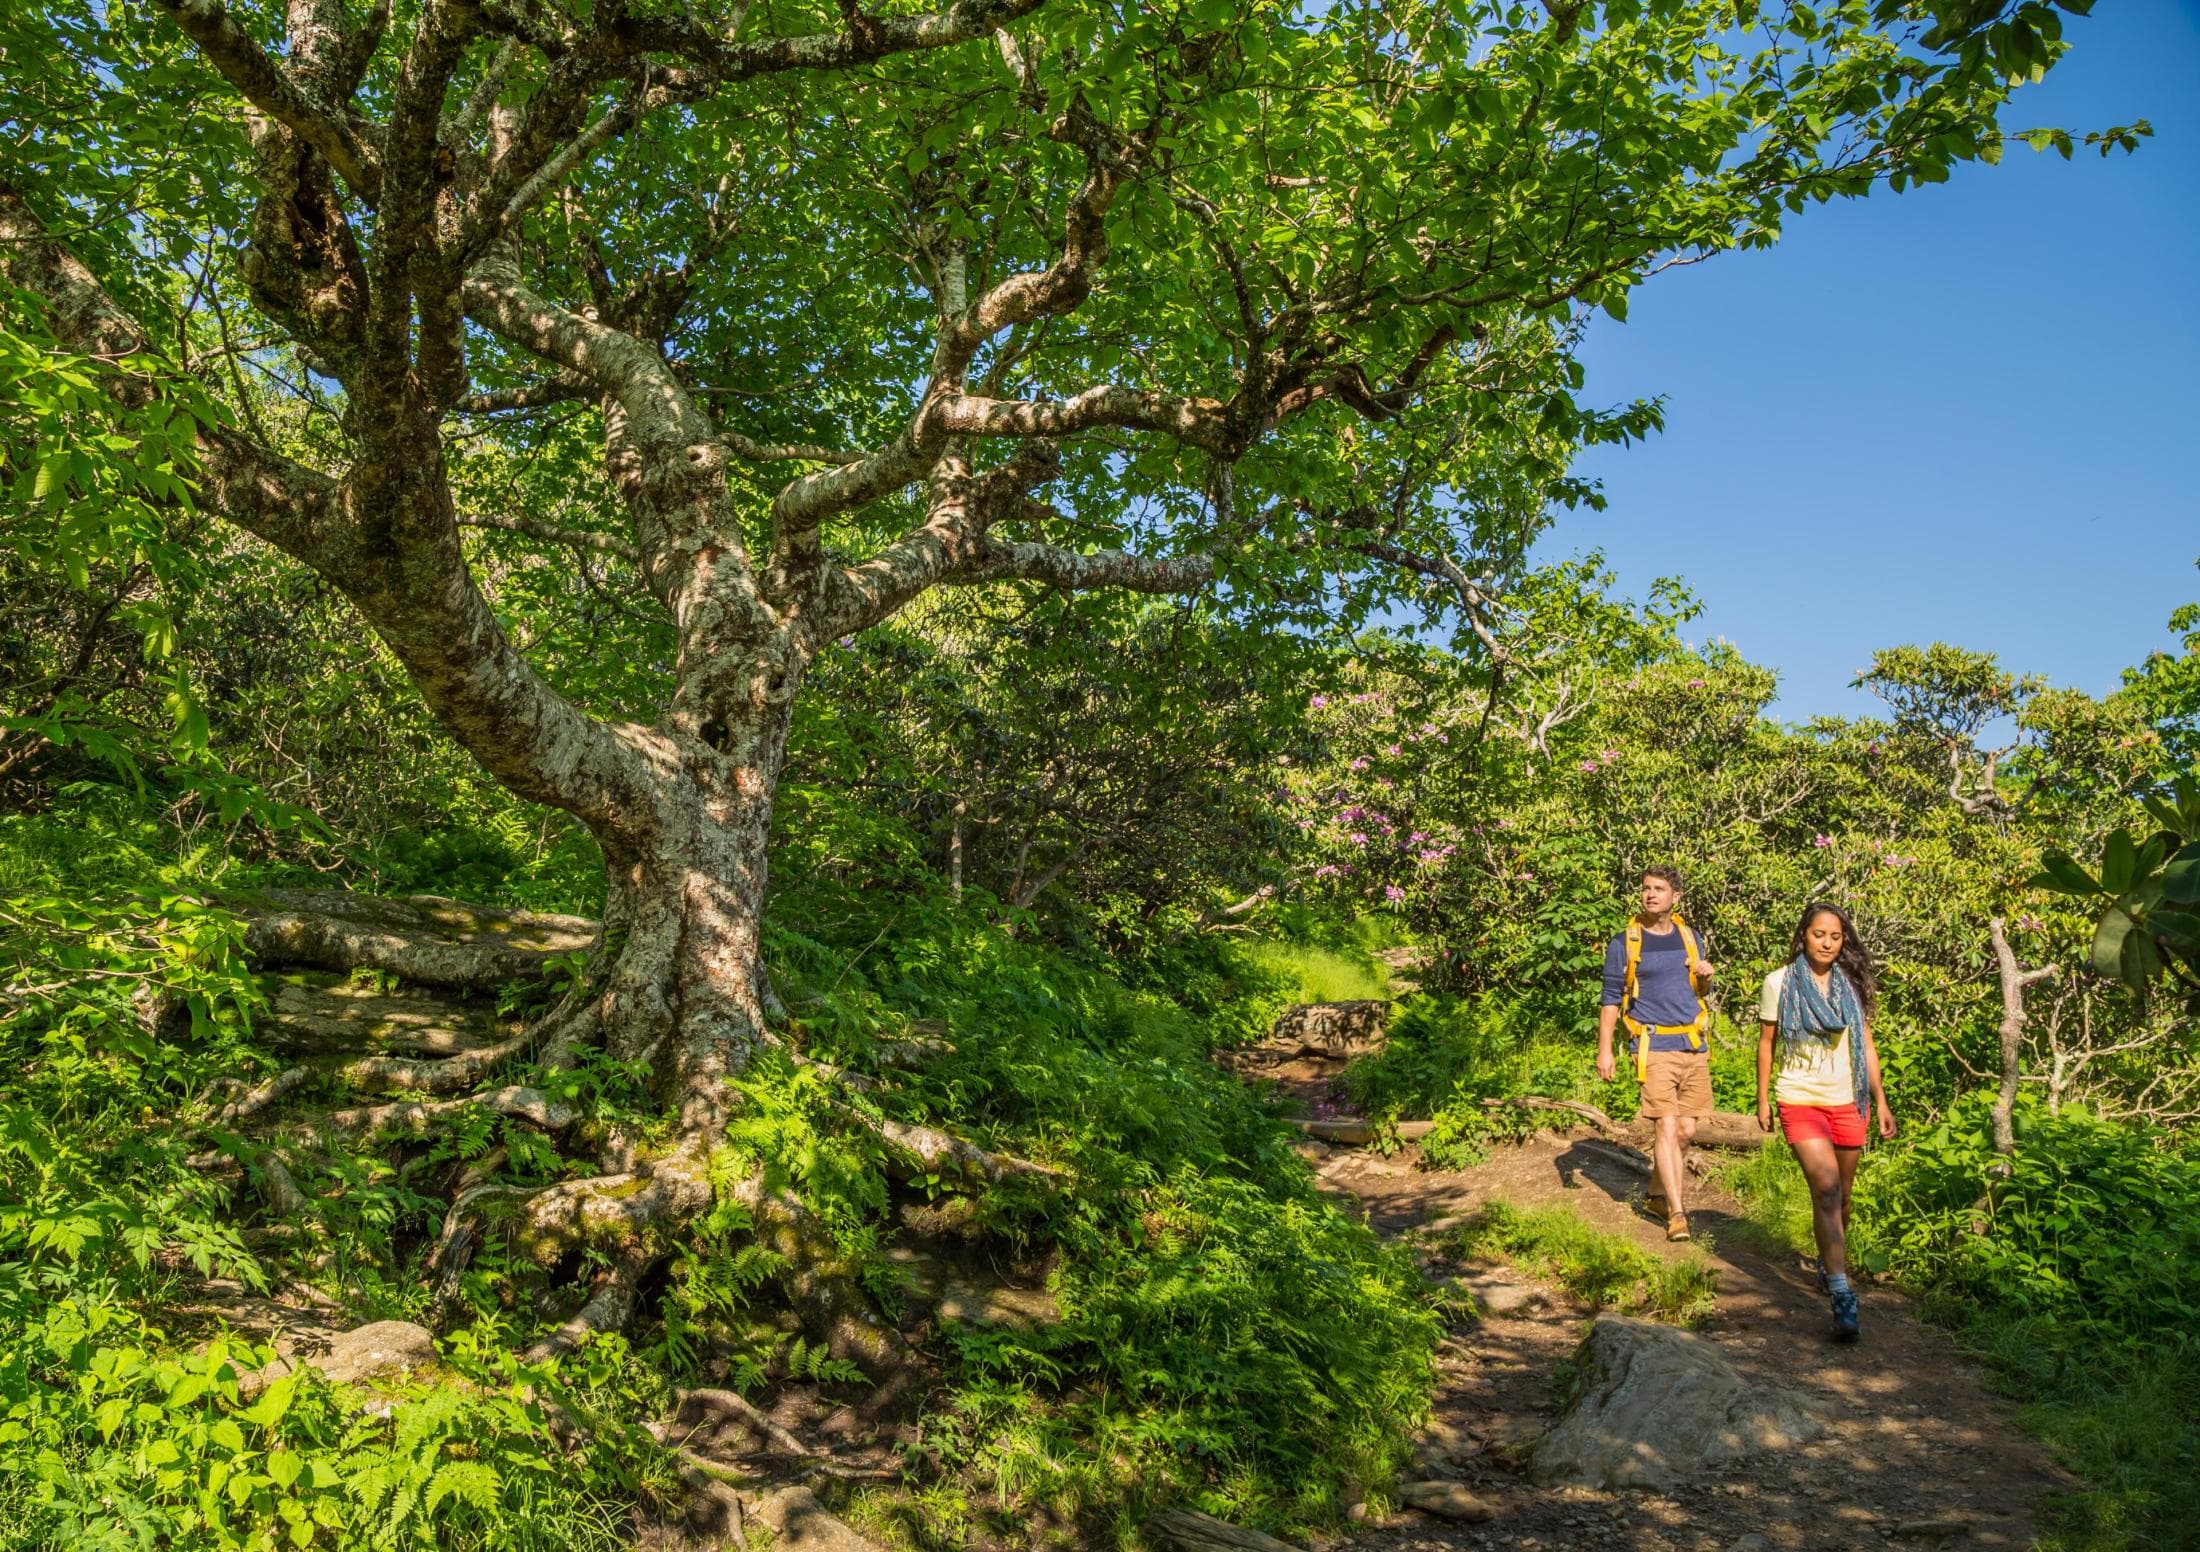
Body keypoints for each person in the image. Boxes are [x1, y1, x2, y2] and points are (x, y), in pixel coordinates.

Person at [1755, 901, 1896, 1342]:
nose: (1827, 943)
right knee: (1828, 1190)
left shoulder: (1850, 985)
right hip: (1799, 1097)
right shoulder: (1779, 982)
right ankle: (1841, 1293)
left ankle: (1827, 1262)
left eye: (1835, 937)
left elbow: (1866, 1045)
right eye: (1819, 935)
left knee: (1844, 1198)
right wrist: (1762, 1098)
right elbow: (1767, 1043)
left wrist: (1881, 1099)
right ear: (1804, 936)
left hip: (1847, 1098)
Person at [1596, 866, 1715, 1242]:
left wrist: (1706, 976)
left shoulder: (1690, 937)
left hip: (1692, 1043)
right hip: (1652, 1045)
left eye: (1659, 889)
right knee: (1665, 1125)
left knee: (1686, 1130)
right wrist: (1606, 1051)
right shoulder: (1625, 942)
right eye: (1646, 888)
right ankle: (1678, 1214)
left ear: (1675, 896)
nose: (1650, 895)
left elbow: (1699, 989)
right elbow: (1611, 998)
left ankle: (1655, 1195)